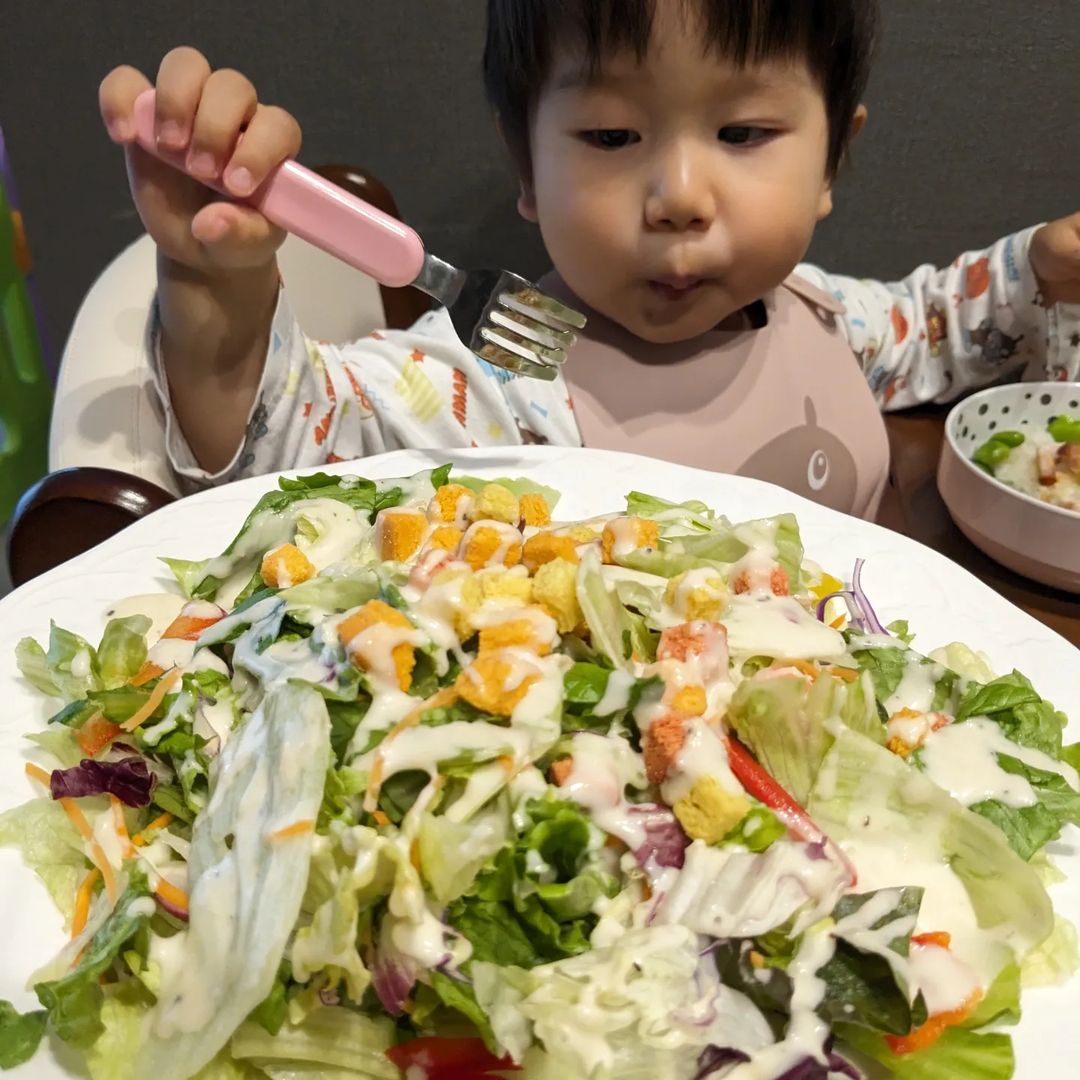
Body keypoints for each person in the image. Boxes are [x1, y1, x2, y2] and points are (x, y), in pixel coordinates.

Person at [97, 0, 1080, 518]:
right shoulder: (512, 373)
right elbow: (290, 448)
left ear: (835, 159)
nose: (682, 198)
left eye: (743, 132)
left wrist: (1038, 268)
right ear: (526, 165)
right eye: (611, 137)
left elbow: (942, 324)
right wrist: (215, 289)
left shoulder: (824, 315)